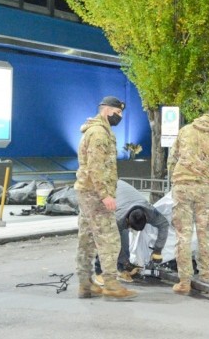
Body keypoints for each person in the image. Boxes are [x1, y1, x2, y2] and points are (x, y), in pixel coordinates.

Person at [74, 96, 138, 300]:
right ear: (108, 110)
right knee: (110, 238)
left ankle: (85, 284)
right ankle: (110, 284)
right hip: (95, 194)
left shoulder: (93, 130)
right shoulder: (99, 133)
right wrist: (105, 195)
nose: (119, 117)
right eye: (118, 113)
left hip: (87, 192)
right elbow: (96, 167)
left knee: (87, 239)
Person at [168, 104, 209, 295]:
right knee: (205, 234)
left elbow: (172, 158)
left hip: (182, 187)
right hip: (204, 190)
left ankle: (184, 281)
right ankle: (205, 275)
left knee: (183, 235)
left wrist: (175, 179)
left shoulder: (185, 131)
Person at [93, 181, 170, 284]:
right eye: (130, 226)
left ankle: (121, 269)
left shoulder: (150, 212)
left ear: (146, 217)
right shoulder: (119, 219)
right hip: (105, 191)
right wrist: (126, 262)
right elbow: (113, 241)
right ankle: (99, 271)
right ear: (127, 220)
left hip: (124, 194)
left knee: (123, 235)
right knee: (109, 239)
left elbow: (164, 225)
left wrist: (158, 250)